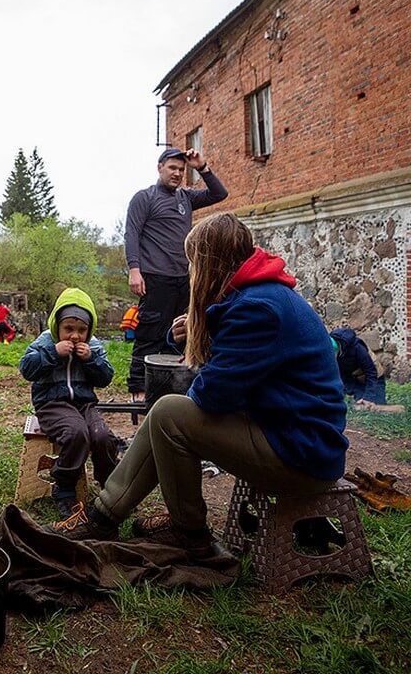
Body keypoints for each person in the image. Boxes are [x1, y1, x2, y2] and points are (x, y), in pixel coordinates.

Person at [53, 213, 348, 555]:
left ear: (210, 263)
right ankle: (104, 515)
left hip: (301, 456)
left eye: (193, 263)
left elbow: (213, 396)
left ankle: (189, 532)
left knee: (169, 414)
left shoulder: (257, 308)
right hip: (289, 435)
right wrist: (198, 334)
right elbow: (239, 370)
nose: (191, 272)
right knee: (167, 413)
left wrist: (203, 340)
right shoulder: (258, 294)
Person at [124, 147, 227, 401]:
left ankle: (175, 387)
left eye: (181, 169)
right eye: (172, 168)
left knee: (182, 334)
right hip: (155, 278)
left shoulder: (186, 198)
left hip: (184, 279)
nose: (177, 173)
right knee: (149, 334)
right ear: (160, 167)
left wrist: (201, 167)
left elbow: (219, 194)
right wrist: (134, 270)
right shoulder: (144, 198)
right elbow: (132, 234)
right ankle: (139, 389)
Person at [19, 288, 118, 518]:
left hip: (84, 404)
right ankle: (64, 487)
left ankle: (111, 485)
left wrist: (91, 360)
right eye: (68, 329)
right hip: (51, 404)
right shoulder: (45, 341)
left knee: (102, 436)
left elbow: (106, 378)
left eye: (82, 330)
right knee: (76, 432)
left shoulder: (93, 346)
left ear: (89, 329)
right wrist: (53, 353)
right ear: (57, 326)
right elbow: (27, 369)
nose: (75, 336)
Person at [330, 328, 387, 404]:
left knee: (378, 404)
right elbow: (342, 376)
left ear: (337, 348)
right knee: (361, 404)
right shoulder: (333, 352)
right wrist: (357, 393)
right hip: (355, 378)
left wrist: (368, 397)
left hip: (375, 376)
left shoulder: (357, 347)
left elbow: (371, 372)